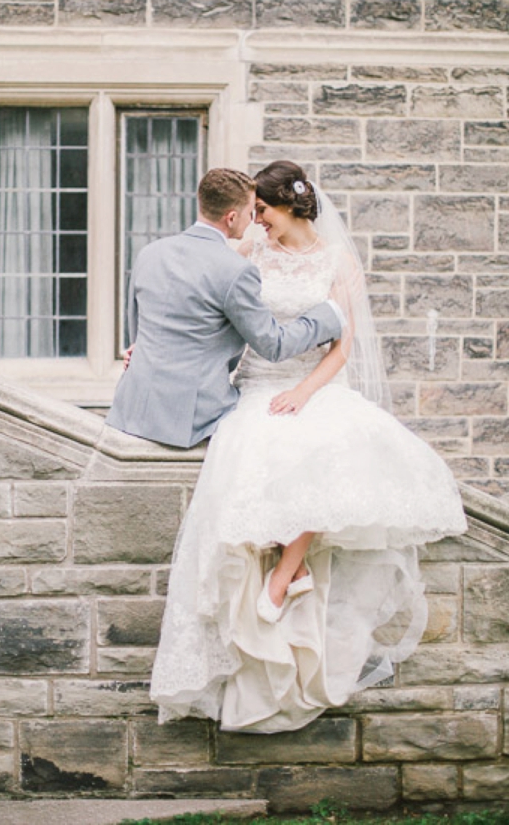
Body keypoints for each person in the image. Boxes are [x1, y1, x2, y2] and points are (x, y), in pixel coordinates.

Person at [150, 160, 467, 733]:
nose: (256, 223)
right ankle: (276, 592)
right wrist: (146, 350)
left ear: (287, 206)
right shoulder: (251, 255)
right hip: (257, 387)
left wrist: (302, 391)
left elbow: (342, 349)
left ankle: (288, 568)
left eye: (263, 212)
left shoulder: (339, 262)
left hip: (313, 385)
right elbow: (213, 314)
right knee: (252, 467)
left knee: (331, 454)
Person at [106, 168, 344, 448]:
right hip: (190, 416)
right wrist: (330, 314)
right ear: (231, 217)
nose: (253, 220)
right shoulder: (236, 270)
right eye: (249, 212)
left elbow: (140, 328)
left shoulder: (150, 253)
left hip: (131, 406)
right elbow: (273, 345)